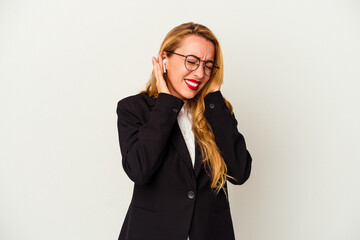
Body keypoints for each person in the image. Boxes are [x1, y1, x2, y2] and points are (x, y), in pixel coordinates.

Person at [116, 22, 252, 240]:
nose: (200, 73)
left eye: (208, 66)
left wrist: (215, 101)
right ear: (165, 60)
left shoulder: (217, 112)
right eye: (191, 62)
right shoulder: (134, 109)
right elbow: (139, 170)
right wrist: (166, 104)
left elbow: (240, 172)